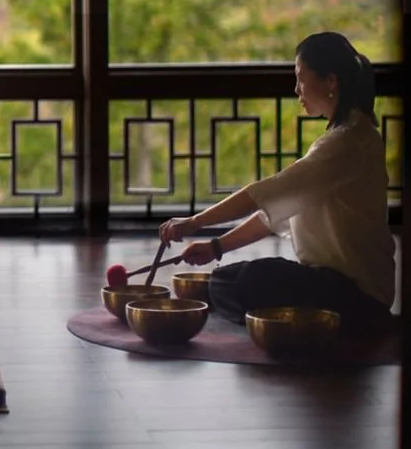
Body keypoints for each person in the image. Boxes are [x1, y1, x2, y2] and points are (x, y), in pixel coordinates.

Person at [158, 31, 397, 335]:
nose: (297, 89)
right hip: (331, 284)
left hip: (358, 295)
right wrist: (216, 246)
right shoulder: (345, 137)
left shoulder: (347, 144)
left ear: (331, 81)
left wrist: (194, 222)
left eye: (301, 77)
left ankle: (288, 318)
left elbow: (263, 194)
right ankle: (278, 316)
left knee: (253, 280)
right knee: (226, 278)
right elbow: (275, 210)